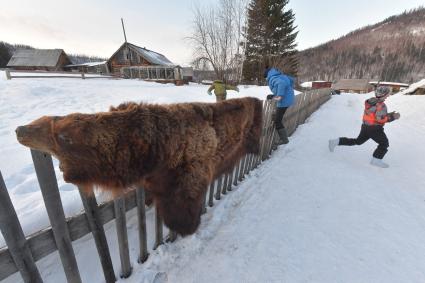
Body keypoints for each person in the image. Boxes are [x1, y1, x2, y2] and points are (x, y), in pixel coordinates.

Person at [328, 86, 400, 168]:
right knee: (384, 143)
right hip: (375, 129)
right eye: (387, 94)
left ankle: (336, 141)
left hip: (366, 127)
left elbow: (375, 115)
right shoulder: (381, 105)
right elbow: (380, 119)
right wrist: (394, 117)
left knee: (358, 141)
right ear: (384, 95)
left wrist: (389, 114)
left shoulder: (371, 101)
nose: (388, 96)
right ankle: (376, 160)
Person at [264, 67, 295, 145]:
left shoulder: (272, 78)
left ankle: (284, 140)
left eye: (266, 78)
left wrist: (280, 95)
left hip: (284, 101)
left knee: (277, 121)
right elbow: (291, 79)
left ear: (267, 75)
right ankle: (275, 115)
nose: (266, 79)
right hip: (289, 99)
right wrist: (288, 90)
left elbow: (281, 83)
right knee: (277, 116)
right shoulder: (281, 75)